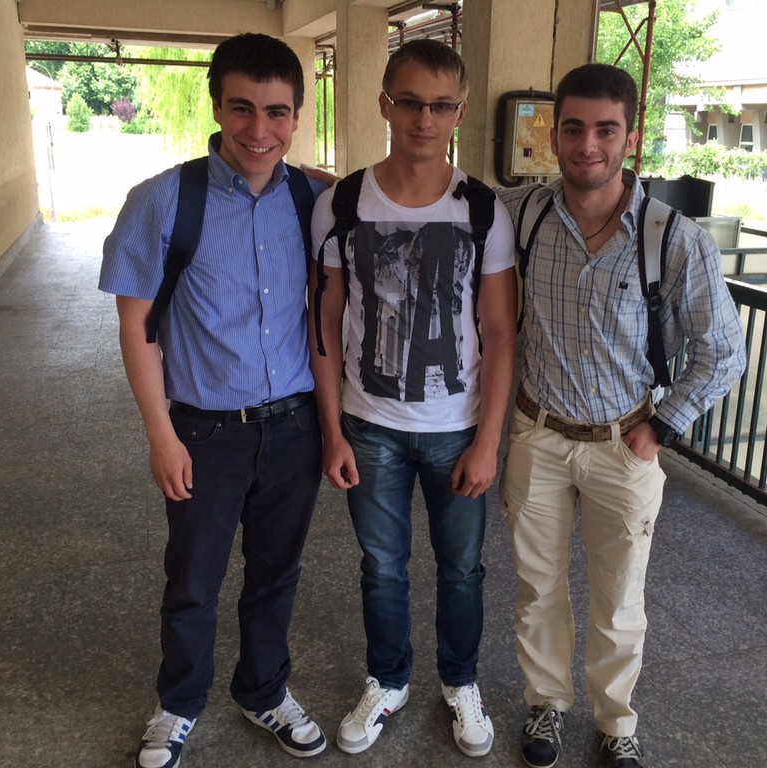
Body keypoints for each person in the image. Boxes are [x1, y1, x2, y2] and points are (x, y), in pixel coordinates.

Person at [497, 63, 746, 768]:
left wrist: (662, 426)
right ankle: (547, 704)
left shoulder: (675, 239)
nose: (588, 145)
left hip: (623, 444)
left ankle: (615, 721)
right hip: (538, 434)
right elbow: (437, 193)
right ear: (553, 134)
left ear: (631, 137)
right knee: (537, 588)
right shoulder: (524, 214)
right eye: (573, 128)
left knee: (619, 598)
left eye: (606, 130)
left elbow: (724, 351)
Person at [99, 33, 328, 768]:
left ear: (296, 115)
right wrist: (161, 435)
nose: (259, 130)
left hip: (294, 429)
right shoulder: (164, 201)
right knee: (194, 580)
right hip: (204, 432)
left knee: (276, 574)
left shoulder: (315, 200)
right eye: (242, 108)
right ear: (217, 106)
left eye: (277, 112)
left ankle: (264, 690)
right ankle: (178, 703)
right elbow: (137, 327)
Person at [307, 39, 517, 759]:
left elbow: (500, 332)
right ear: (384, 104)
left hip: (457, 427)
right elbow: (325, 323)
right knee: (382, 567)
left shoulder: (482, 210)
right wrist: (332, 432)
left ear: (459, 112)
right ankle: (388, 680)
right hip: (370, 427)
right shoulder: (341, 204)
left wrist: (487, 441)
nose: (424, 120)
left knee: (462, 569)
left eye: (440, 106)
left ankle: (460, 681)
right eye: (410, 103)